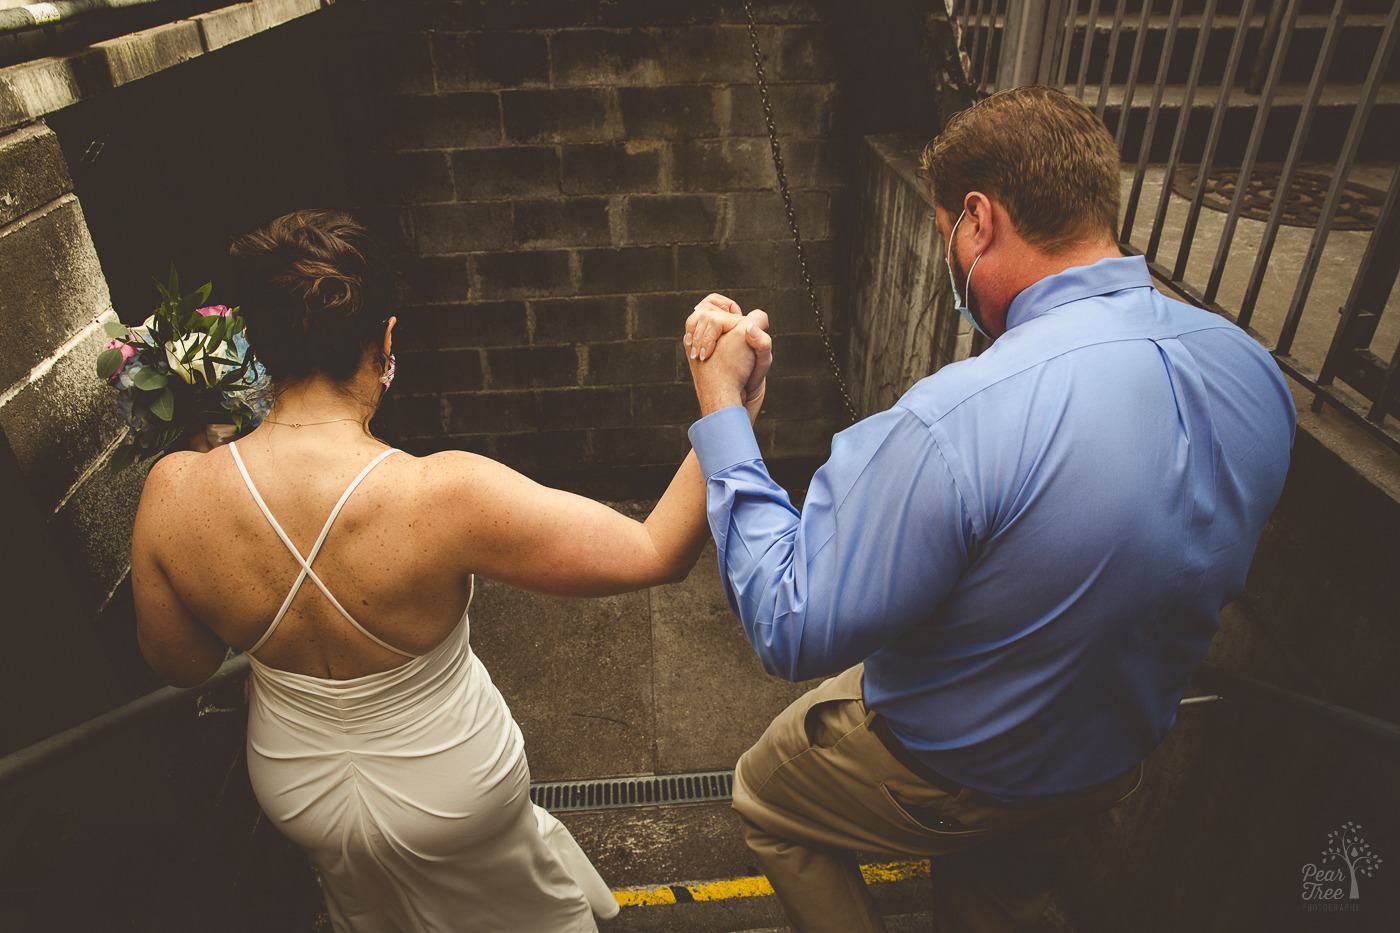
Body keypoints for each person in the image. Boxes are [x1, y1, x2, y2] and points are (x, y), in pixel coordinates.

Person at [681, 85, 1296, 932]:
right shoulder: (1254, 372)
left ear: (978, 221)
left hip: (963, 770)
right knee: (998, 889)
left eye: (943, 236)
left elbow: (790, 622)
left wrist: (723, 416)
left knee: (765, 792)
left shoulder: (955, 418)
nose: (948, 257)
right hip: (1109, 755)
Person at [131, 209, 770, 932]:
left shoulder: (174, 491)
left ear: (257, 344)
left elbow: (183, 663)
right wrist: (728, 406)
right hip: (453, 789)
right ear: (386, 340)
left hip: (300, 794)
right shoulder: (440, 494)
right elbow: (657, 551)